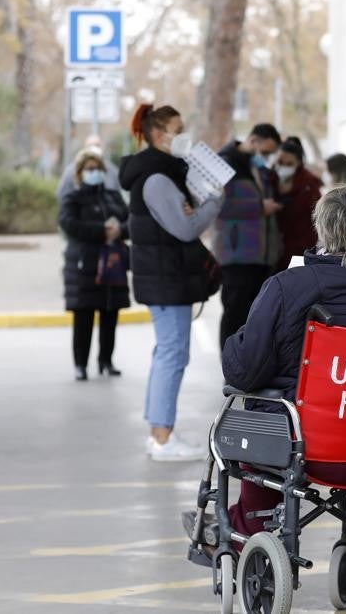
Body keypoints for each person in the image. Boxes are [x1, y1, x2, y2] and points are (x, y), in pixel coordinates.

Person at [182, 184, 346, 543]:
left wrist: (239, 339)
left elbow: (243, 372)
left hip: (307, 448)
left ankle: (247, 529)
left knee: (259, 416)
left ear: (324, 230)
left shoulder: (289, 286)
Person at [119, 104, 225, 462]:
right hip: (167, 278)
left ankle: (160, 433)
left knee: (167, 353)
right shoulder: (158, 179)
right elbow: (186, 227)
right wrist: (213, 202)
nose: (184, 135)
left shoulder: (159, 174)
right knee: (172, 355)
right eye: (177, 129)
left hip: (165, 277)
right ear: (157, 134)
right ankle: (163, 438)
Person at [59, 149, 131, 381]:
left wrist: (120, 230)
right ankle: (80, 364)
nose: (95, 172)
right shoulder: (73, 198)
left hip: (113, 265)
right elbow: (69, 224)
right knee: (84, 317)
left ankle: (106, 360)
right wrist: (101, 231)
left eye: (98, 168)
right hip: (84, 266)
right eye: (90, 169)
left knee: (110, 313)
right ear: (80, 173)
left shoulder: (113, 196)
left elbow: (131, 220)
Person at [213, 123, 283, 348]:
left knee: (253, 315)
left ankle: (246, 360)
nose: (267, 157)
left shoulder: (257, 168)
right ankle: (229, 361)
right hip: (236, 254)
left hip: (261, 254)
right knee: (235, 312)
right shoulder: (223, 164)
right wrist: (260, 207)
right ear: (253, 141)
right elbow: (218, 206)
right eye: (266, 152)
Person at [273, 136, 321, 270]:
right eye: (280, 162)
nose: (283, 167)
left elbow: (316, 215)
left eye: (289, 164)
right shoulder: (270, 179)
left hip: (300, 249)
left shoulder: (309, 184)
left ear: (298, 163)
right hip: (273, 250)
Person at [58, 135, 120, 201]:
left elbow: (117, 192)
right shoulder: (71, 170)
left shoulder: (112, 170)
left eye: (97, 145)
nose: (94, 148)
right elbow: (63, 194)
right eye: (90, 145)